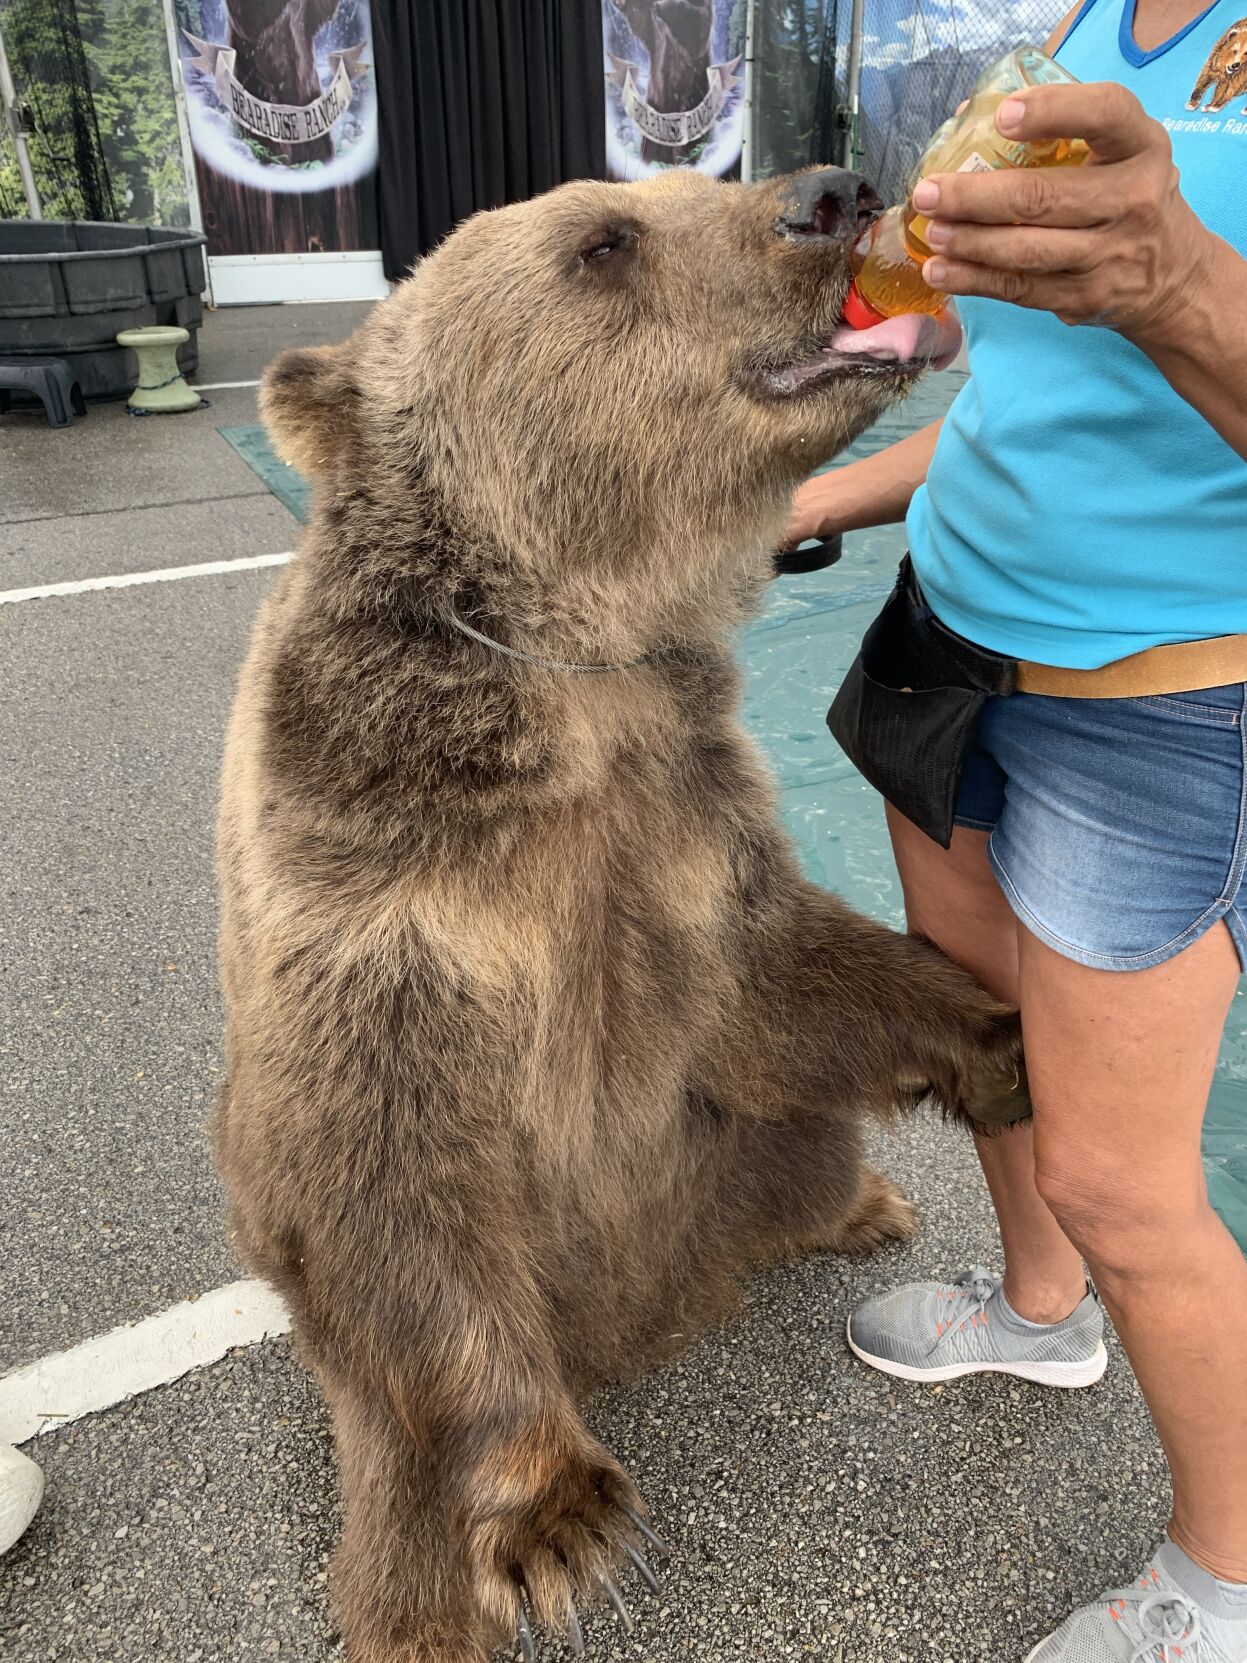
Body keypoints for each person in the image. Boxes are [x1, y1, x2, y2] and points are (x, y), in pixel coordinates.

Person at [785, 1, 1247, 1658]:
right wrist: (813, 490)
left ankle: (1228, 1580)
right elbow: (1016, 394)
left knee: (1125, 1183)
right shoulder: (1080, 20)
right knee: (982, 1029)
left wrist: (1183, 278)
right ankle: (1039, 1316)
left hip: (1158, 705)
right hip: (951, 633)